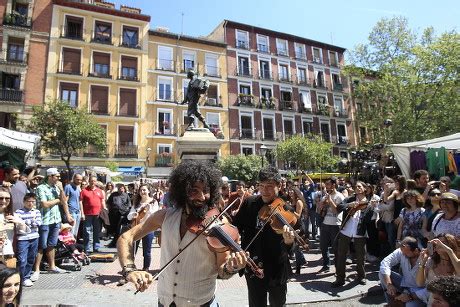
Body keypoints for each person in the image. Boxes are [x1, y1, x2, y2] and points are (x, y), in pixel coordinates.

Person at [118, 160, 249, 306]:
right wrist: (130, 270)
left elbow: (223, 270)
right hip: (165, 302)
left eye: (205, 190)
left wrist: (232, 267)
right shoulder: (164, 216)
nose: (201, 196)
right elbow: (126, 237)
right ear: (182, 191)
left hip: (201, 303)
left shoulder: (220, 223)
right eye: (194, 190)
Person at [232, 166, 296, 307]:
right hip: (254, 265)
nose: (264, 191)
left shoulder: (287, 210)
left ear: (279, 186)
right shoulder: (250, 203)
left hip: (277, 267)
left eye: (269, 186)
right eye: (261, 186)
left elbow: (293, 243)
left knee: (278, 303)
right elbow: (235, 228)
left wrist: (289, 241)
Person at [332, 181, 378, 287]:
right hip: (346, 230)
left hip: (360, 232)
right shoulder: (350, 199)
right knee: (341, 255)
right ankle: (340, 278)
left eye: (359, 186)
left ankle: (361, 277)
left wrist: (373, 207)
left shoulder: (369, 201)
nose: (357, 188)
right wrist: (349, 205)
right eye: (356, 187)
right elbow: (339, 207)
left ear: (365, 188)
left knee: (361, 256)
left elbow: (369, 220)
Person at [32, 168, 67, 279]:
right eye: (57, 176)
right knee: (41, 246)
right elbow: (45, 204)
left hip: (56, 219)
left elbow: (64, 201)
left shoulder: (56, 188)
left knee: (52, 244)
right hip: (45, 220)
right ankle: (36, 269)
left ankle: (52, 266)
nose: (58, 178)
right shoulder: (41, 188)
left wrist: (61, 190)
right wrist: (57, 200)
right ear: (50, 176)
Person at [379, 236, 426, 307]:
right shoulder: (402, 251)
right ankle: (393, 302)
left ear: (416, 251)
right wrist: (389, 284)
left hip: (418, 292)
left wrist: (410, 296)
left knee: (410, 305)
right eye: (402, 252)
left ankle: (400, 302)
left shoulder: (426, 259)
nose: (404, 255)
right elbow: (385, 263)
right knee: (382, 274)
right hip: (404, 284)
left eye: (407, 253)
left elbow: (429, 289)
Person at [416, 234, 459, 304]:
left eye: (443, 243)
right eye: (437, 244)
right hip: (434, 302)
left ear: (451, 245)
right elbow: (419, 283)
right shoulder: (431, 261)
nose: (439, 245)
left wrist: (449, 251)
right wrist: (422, 263)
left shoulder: (457, 262)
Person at [126, 184, 159, 271]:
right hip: (137, 229)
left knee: (147, 251)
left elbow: (156, 215)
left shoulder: (154, 202)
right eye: (141, 190)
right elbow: (129, 216)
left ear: (148, 191)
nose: (142, 192)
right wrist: (133, 214)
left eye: (144, 190)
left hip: (148, 229)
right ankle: (130, 267)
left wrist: (149, 210)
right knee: (132, 250)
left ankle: (146, 268)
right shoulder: (136, 203)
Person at [317, 177, 345, 272]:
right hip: (325, 223)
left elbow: (336, 211)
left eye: (328, 184)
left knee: (336, 248)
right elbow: (319, 209)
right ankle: (326, 265)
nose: (326, 186)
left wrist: (330, 201)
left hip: (335, 224)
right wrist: (322, 203)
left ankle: (338, 268)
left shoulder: (340, 196)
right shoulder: (325, 195)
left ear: (333, 185)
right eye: (326, 185)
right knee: (323, 245)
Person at [15, 193, 42, 287]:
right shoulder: (18, 212)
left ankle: (26, 276)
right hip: (22, 238)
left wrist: (26, 222)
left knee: (31, 258)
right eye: (28, 201)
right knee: (22, 259)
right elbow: (18, 224)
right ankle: (21, 278)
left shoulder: (37, 211)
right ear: (24, 202)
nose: (30, 203)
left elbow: (38, 223)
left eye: (32, 201)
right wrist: (30, 222)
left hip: (34, 237)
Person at [0, 188, 28, 269]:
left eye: (7, 198)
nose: (4, 201)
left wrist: (19, 222)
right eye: (1, 198)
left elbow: (24, 231)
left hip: (7, 252)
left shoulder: (13, 215)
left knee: (7, 279)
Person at [80, 176, 105, 254]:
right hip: (87, 214)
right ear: (89, 181)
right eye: (91, 181)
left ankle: (96, 248)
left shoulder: (100, 191)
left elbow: (102, 201)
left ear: (96, 182)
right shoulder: (84, 191)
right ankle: (87, 248)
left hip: (97, 214)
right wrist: (82, 213)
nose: (92, 182)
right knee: (87, 232)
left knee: (96, 232)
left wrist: (104, 209)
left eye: (94, 181)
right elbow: (80, 202)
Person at [288, 186, 307, 275]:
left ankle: (298, 268)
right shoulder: (291, 201)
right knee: (296, 248)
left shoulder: (299, 202)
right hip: (292, 226)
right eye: (289, 191)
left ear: (296, 192)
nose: (290, 192)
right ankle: (302, 261)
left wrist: (290, 209)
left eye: (292, 191)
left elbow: (298, 216)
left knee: (296, 248)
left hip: (299, 226)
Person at [106, 183, 131, 248]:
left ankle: (116, 242)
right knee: (114, 229)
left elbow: (129, 205)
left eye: (122, 187)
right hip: (114, 214)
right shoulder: (113, 195)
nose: (121, 189)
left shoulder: (126, 195)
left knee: (119, 229)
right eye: (120, 187)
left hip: (123, 214)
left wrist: (126, 210)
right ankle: (115, 242)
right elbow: (108, 203)